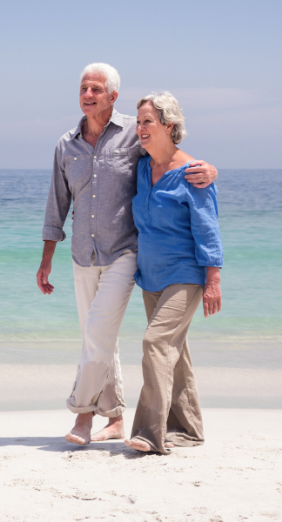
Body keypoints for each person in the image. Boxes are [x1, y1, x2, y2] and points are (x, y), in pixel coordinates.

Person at [36, 63, 218, 446]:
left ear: (112, 95)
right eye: (83, 88)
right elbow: (58, 202)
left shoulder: (134, 135)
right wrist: (47, 257)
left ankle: (86, 415)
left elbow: (174, 157)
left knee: (106, 334)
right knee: (99, 338)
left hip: (126, 253)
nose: (88, 95)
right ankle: (120, 418)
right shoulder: (66, 144)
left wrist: (211, 170)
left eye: (96, 89)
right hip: (86, 254)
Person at [124, 92, 223, 454]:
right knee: (173, 353)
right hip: (151, 276)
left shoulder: (193, 173)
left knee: (155, 344)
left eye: (147, 122)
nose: (140, 128)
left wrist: (213, 280)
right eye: (138, 122)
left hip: (186, 274)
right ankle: (189, 429)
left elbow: (208, 228)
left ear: (169, 125)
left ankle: (150, 433)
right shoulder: (142, 166)